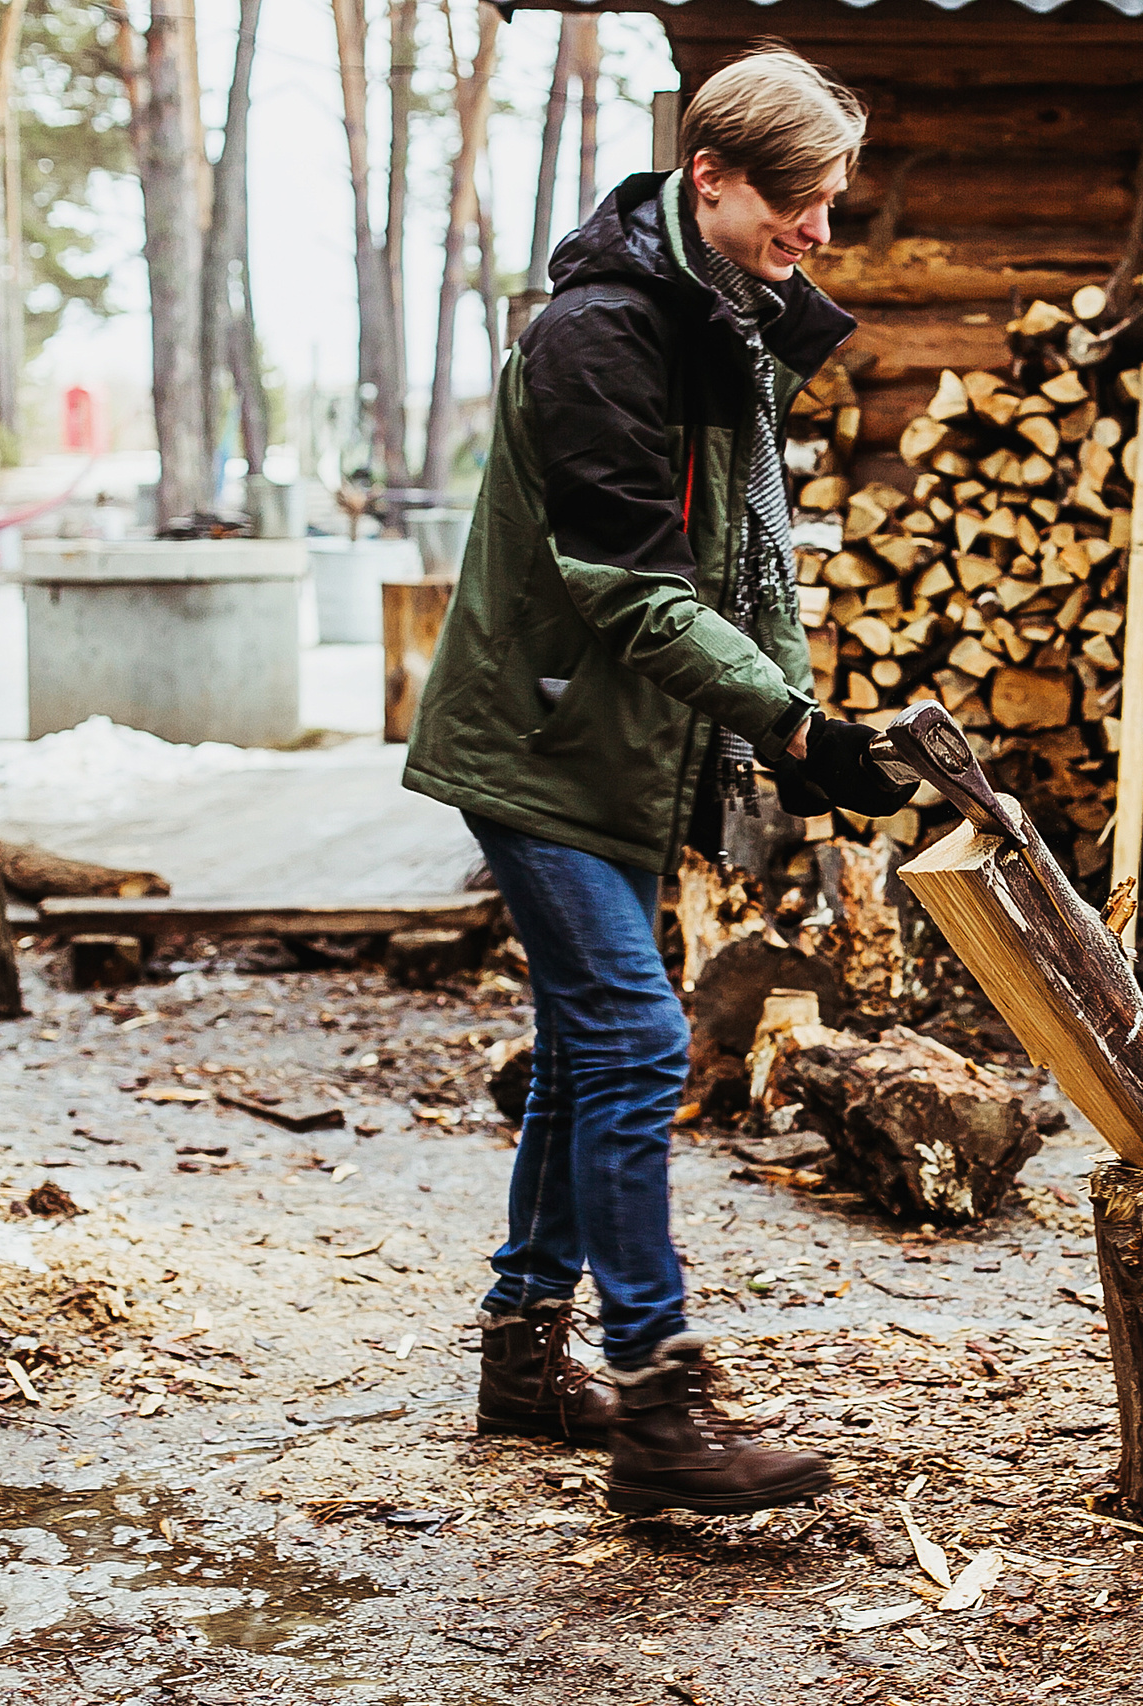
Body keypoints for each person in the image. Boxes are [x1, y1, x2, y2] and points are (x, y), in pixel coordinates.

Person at [401, 47, 912, 1515]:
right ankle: (658, 1403)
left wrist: (791, 734)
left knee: (585, 1056)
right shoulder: (602, 335)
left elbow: (751, 563)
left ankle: (521, 1353)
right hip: (542, 744)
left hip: (616, 748)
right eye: (799, 198)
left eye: (831, 200)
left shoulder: (719, 323)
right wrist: (795, 728)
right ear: (710, 175)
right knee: (631, 1044)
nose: (819, 228)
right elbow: (631, 583)